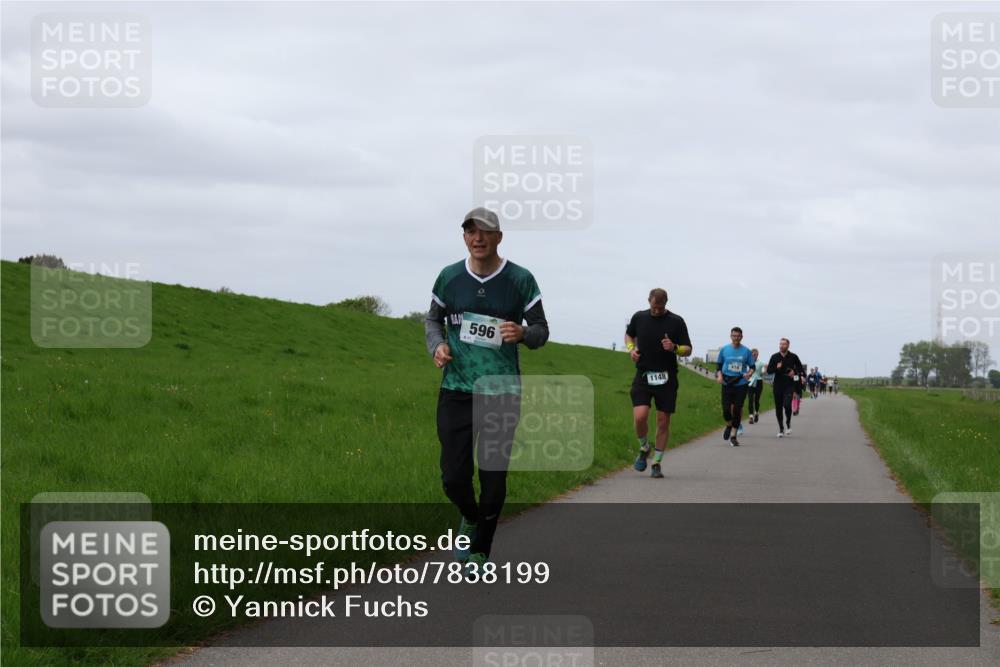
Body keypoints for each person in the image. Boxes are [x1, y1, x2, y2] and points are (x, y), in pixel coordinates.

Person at [424, 207, 549, 570]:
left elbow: (541, 330)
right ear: (464, 237)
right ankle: (470, 516)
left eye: (485, 231)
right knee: (453, 477)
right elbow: (433, 319)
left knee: (493, 478)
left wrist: (524, 333)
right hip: (457, 389)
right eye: (470, 231)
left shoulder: (520, 279)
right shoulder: (449, 277)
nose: (477, 238)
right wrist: (437, 346)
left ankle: (480, 549)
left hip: (502, 392)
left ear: (499, 237)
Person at [625, 288, 692, 478]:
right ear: (649, 301)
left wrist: (675, 347)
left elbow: (688, 349)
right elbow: (629, 335)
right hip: (644, 375)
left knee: (663, 422)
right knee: (640, 416)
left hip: (667, 378)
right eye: (654, 307)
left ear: (666, 303)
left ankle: (656, 463)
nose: (657, 311)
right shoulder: (639, 317)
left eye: (660, 308)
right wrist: (631, 350)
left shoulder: (676, 321)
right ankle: (645, 447)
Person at [715, 327, 755, 446]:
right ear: (731, 336)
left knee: (737, 410)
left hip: (741, 383)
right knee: (726, 410)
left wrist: (749, 373)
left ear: (741, 337)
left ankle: (733, 435)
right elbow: (718, 365)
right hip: (727, 383)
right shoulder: (724, 350)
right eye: (734, 336)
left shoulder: (746, 351)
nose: (736, 338)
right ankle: (728, 424)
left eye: (738, 336)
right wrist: (719, 376)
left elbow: (752, 367)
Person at [766, 338, 805, 438]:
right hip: (778, 384)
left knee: (787, 405)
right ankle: (781, 429)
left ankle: (788, 422)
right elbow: (769, 370)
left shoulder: (793, 356)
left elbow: (801, 369)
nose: (782, 346)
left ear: (788, 345)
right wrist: (777, 368)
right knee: (778, 408)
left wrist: (794, 372)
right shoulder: (774, 357)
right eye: (780, 344)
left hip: (789, 384)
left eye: (784, 344)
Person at [746, 348, 766, 424]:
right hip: (750, 382)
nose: (754, 355)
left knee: (756, 400)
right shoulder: (748, 363)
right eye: (753, 354)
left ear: (757, 355)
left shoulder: (760, 362)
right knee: (750, 399)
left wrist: (763, 373)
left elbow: (767, 366)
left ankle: (756, 412)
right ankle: (751, 416)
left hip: (758, 381)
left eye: (756, 354)